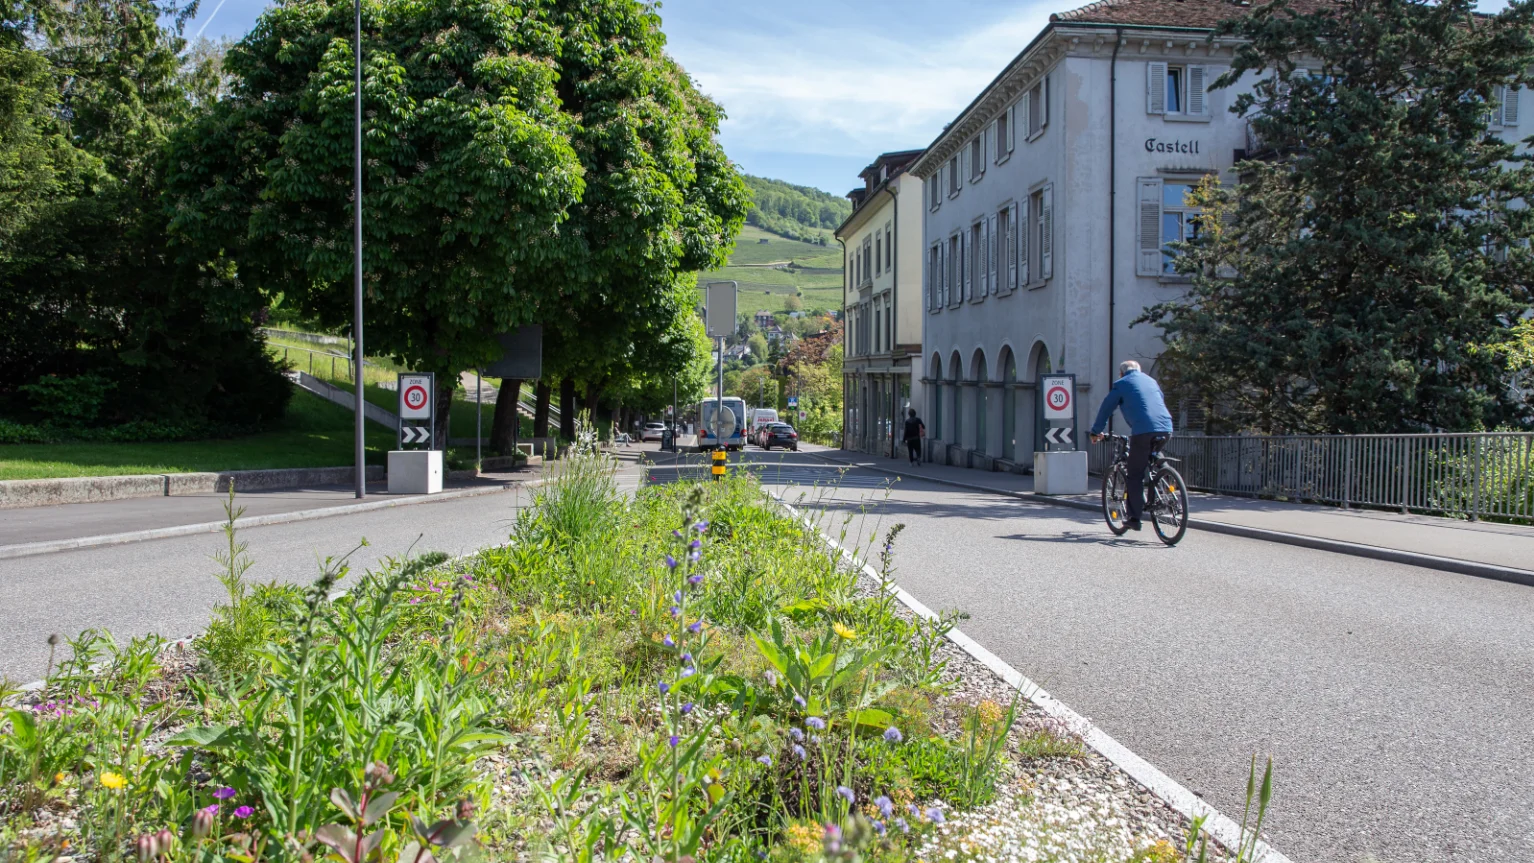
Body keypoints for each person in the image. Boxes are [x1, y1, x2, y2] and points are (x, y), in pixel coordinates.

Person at [1089, 360, 1174, 531]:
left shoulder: (1121, 384)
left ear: (1121, 373)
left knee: (1134, 474)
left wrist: (1095, 431)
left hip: (1143, 431)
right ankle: (1166, 476)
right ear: (1139, 371)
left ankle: (1134, 518)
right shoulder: (1151, 381)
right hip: (1166, 427)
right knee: (1153, 455)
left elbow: (1106, 408)